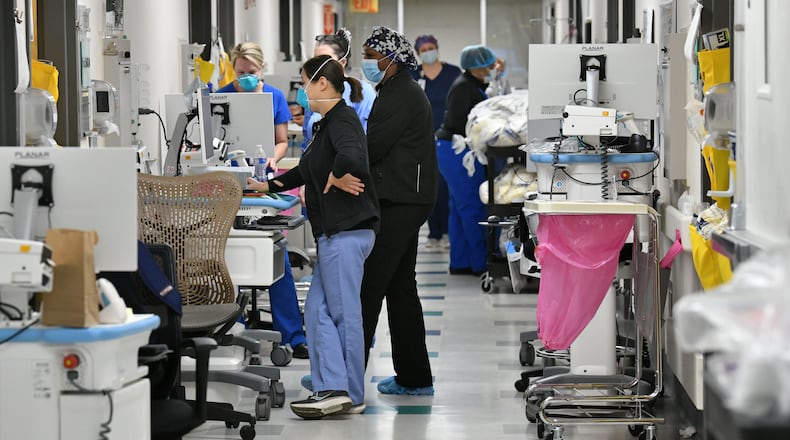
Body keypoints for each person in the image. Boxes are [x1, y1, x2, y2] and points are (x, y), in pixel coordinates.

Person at [246, 55, 379, 418]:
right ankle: (328, 385)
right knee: (318, 313)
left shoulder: (343, 119)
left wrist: (336, 176)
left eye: (304, 82)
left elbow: (353, 156)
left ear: (322, 84)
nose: (301, 91)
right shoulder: (325, 125)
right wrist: (266, 186)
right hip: (333, 234)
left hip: (347, 232)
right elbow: (305, 170)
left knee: (343, 313)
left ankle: (350, 391)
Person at [216, 42, 309, 359]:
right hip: (226, 183)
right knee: (227, 261)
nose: (245, 79)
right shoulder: (219, 97)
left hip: (260, 179)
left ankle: (293, 337)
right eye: (240, 73)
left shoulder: (275, 97)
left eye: (251, 73)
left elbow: (282, 141)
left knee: (275, 259)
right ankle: (233, 330)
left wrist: (272, 158)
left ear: (262, 70)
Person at [360, 26, 437, 396]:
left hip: (402, 200)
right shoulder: (395, 89)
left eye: (372, 57)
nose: (367, 64)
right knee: (400, 287)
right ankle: (414, 377)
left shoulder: (399, 95)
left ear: (391, 58)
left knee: (369, 285)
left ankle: (344, 377)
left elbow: (372, 146)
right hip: (407, 196)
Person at [435, 45, 504, 276]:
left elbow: (483, 94)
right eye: (488, 65)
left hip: (450, 149)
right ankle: (479, 264)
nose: (490, 68)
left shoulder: (469, 83)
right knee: (472, 206)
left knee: (459, 207)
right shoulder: (463, 87)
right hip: (456, 150)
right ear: (477, 66)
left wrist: (497, 76)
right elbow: (465, 121)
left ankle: (460, 262)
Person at [410, 34, 462, 250]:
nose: (428, 52)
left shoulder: (453, 73)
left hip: (448, 138)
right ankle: (434, 233)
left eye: (431, 47)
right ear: (418, 53)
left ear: (438, 48)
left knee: (448, 186)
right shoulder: (414, 75)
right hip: (422, 139)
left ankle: (449, 232)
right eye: (424, 50)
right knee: (429, 187)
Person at [301, 27, 376, 150]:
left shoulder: (363, 91)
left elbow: (366, 140)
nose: (318, 67)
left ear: (342, 62)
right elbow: (307, 139)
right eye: (315, 60)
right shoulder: (312, 90)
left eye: (325, 61)